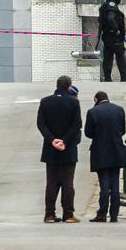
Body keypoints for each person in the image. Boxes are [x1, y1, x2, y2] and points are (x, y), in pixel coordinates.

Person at [37, 76, 83, 223]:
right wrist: (65, 140)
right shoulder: (74, 102)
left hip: (50, 149)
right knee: (68, 182)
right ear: (69, 87)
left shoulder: (45, 101)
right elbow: (77, 124)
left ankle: (49, 214)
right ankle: (68, 214)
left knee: (51, 182)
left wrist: (52, 139)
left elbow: (41, 123)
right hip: (68, 148)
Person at [84, 91, 126, 223]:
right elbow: (123, 130)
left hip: (100, 151)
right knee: (115, 184)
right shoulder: (119, 110)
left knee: (104, 184)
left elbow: (88, 132)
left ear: (96, 99)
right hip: (117, 150)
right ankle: (114, 214)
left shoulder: (93, 112)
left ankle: (102, 213)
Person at [99, 0, 126, 82]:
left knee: (108, 58)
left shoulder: (107, 5)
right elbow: (110, 18)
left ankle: (107, 78)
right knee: (120, 57)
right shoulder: (112, 6)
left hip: (107, 36)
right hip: (114, 37)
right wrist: (116, 30)